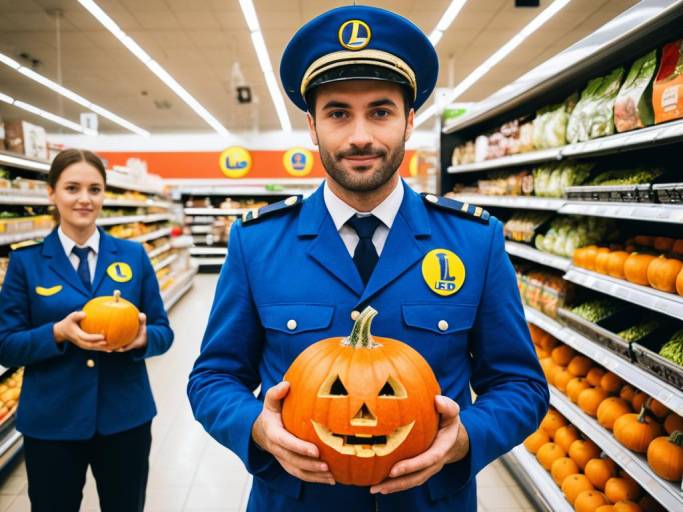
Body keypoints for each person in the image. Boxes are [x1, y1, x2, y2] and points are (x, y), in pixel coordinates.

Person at [188, 5, 548, 511]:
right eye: (338, 113)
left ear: (409, 121)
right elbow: (213, 377)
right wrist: (256, 428)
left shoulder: (474, 240)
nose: (360, 136)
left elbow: (519, 384)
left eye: (380, 111)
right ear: (312, 126)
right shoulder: (257, 242)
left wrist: (466, 437)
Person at [0, 149, 174, 512]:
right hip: (51, 422)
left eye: (94, 189)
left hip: (125, 418)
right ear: (51, 193)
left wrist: (142, 339)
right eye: (72, 188)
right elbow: (6, 345)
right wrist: (58, 333)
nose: (84, 199)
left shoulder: (133, 255)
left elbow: (162, 331)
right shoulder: (26, 261)